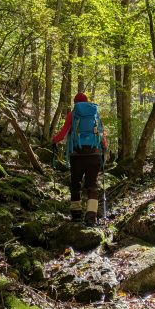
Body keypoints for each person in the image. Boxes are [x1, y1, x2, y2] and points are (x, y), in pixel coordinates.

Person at [52, 92, 108, 225]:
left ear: (75, 103)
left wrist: (54, 141)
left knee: (75, 184)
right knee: (92, 186)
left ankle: (76, 214)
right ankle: (91, 216)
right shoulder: (94, 114)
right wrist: (104, 147)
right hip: (94, 155)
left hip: (77, 156)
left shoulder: (73, 114)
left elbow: (64, 132)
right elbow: (101, 133)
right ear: (87, 101)